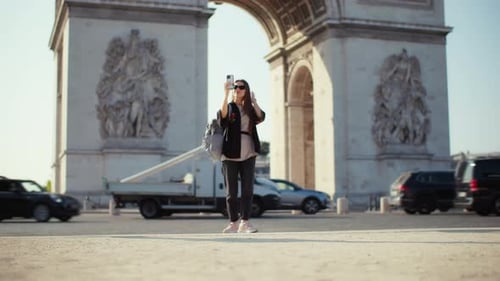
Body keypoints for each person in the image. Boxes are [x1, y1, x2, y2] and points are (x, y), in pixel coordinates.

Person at [218, 78, 265, 233]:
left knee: (247, 190)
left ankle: (245, 222)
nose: (238, 89)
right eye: (236, 87)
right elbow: (222, 117)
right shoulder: (230, 107)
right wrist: (225, 94)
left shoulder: (249, 108)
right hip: (230, 153)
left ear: (246, 90)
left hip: (249, 152)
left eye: (241, 87)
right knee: (231, 193)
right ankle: (233, 223)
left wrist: (254, 102)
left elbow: (261, 117)